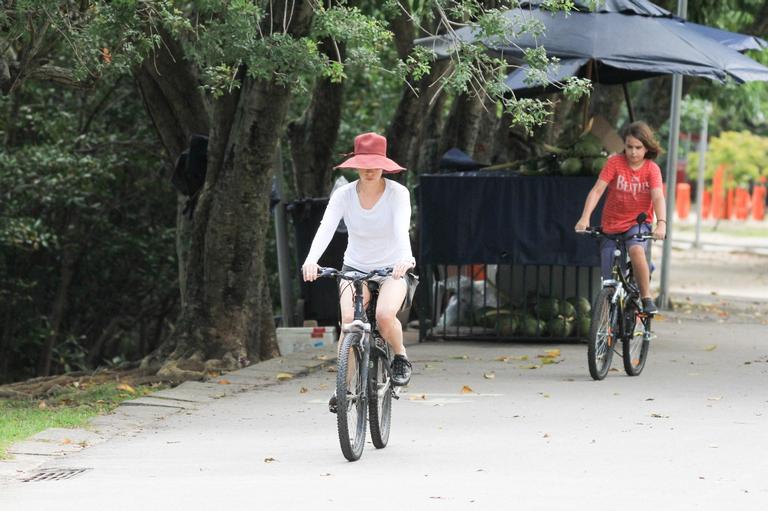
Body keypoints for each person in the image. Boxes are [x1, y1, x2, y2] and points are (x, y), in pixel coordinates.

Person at [302, 132, 416, 412]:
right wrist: (311, 260)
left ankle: (400, 356)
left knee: (384, 315)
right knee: (349, 319)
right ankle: (345, 388)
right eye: (363, 163)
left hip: (393, 268)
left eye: (374, 164)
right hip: (355, 268)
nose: (368, 170)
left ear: (384, 166)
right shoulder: (343, 195)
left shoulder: (397, 193)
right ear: (355, 164)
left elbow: (402, 229)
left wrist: (405, 258)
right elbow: (326, 229)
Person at [575, 121, 667, 314]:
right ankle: (609, 323)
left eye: (638, 148)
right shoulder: (615, 162)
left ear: (647, 147)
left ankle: (645, 297)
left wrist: (661, 224)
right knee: (608, 277)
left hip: (638, 223)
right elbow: (597, 190)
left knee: (635, 251)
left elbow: (658, 196)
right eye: (629, 147)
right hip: (612, 224)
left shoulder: (651, 169)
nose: (633, 152)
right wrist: (585, 218)